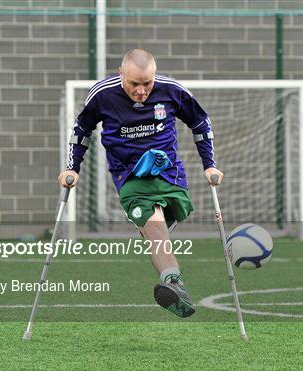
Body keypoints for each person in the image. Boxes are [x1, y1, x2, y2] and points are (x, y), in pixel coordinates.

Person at [58, 49, 223, 317]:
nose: (141, 91)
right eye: (134, 84)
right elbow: (82, 130)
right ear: (121, 73)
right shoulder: (102, 94)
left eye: (147, 83)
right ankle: (173, 282)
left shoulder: (171, 90)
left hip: (169, 173)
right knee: (154, 226)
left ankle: (153, 240)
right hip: (130, 177)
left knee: (160, 225)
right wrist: (72, 168)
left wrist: (210, 164)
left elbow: (200, 122)